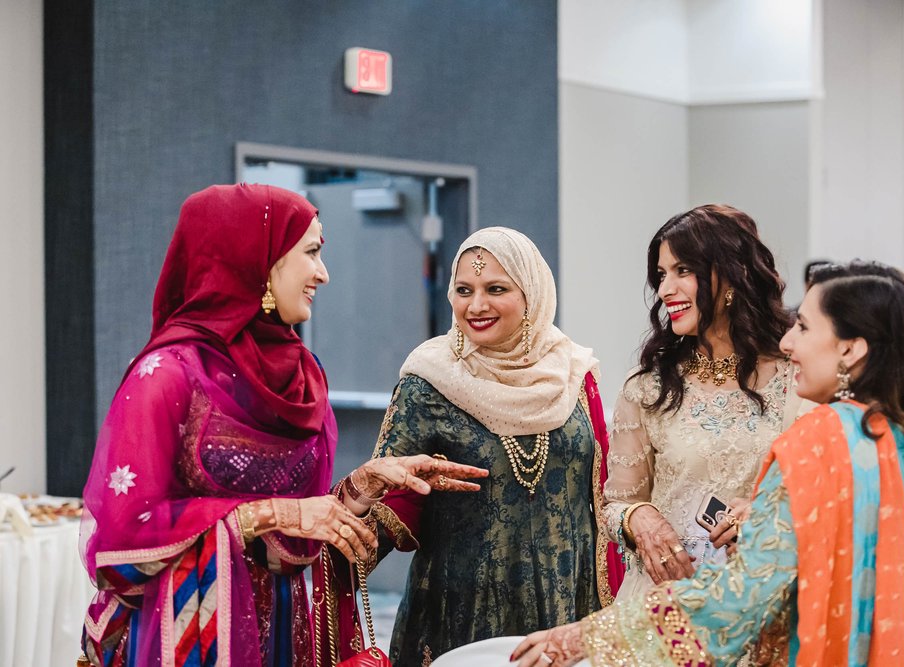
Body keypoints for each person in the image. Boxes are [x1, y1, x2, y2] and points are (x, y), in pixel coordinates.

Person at [78, 184, 487, 667]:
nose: (323, 274)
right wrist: (269, 515)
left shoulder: (301, 376)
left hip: (284, 634)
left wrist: (357, 490)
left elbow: (292, 538)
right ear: (258, 259)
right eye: (311, 252)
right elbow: (125, 540)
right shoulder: (169, 375)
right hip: (189, 633)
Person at [512, 260, 904, 667]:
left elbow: (734, 603)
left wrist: (588, 637)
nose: (789, 340)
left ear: (850, 349)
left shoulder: (821, 442)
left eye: (806, 327)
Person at [357, 227, 618, 666]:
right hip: (462, 611)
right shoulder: (428, 381)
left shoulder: (573, 373)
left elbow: (605, 493)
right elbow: (391, 501)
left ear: (531, 294)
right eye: (464, 290)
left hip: (567, 605)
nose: (476, 306)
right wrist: (347, 524)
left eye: (496, 289)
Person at [602, 204, 800, 603]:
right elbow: (616, 503)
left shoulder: (795, 379)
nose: (665, 290)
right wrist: (637, 517)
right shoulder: (647, 387)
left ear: (731, 275)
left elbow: (822, 494)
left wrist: (764, 517)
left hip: (758, 599)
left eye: (683, 271)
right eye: (661, 275)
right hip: (664, 600)